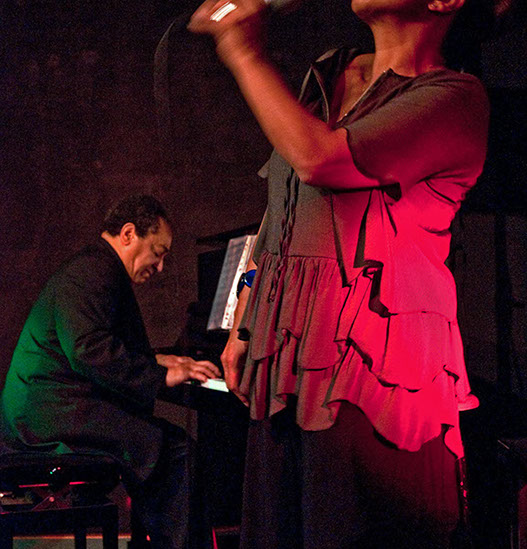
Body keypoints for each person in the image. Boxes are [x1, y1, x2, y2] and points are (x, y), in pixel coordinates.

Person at [188, 0, 491, 547]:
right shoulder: (331, 71)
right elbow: (281, 205)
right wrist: (245, 313)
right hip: (288, 353)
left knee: (347, 528)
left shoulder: (453, 98)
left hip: (375, 370)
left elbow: (320, 160)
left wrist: (241, 49)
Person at [0, 194, 221, 549]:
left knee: (164, 446)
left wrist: (156, 360)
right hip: (50, 416)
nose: (160, 266)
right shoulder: (92, 271)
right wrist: (160, 376)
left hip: (56, 408)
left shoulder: (97, 267)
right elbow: (88, 350)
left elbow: (96, 342)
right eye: (158, 252)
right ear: (129, 233)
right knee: (177, 452)